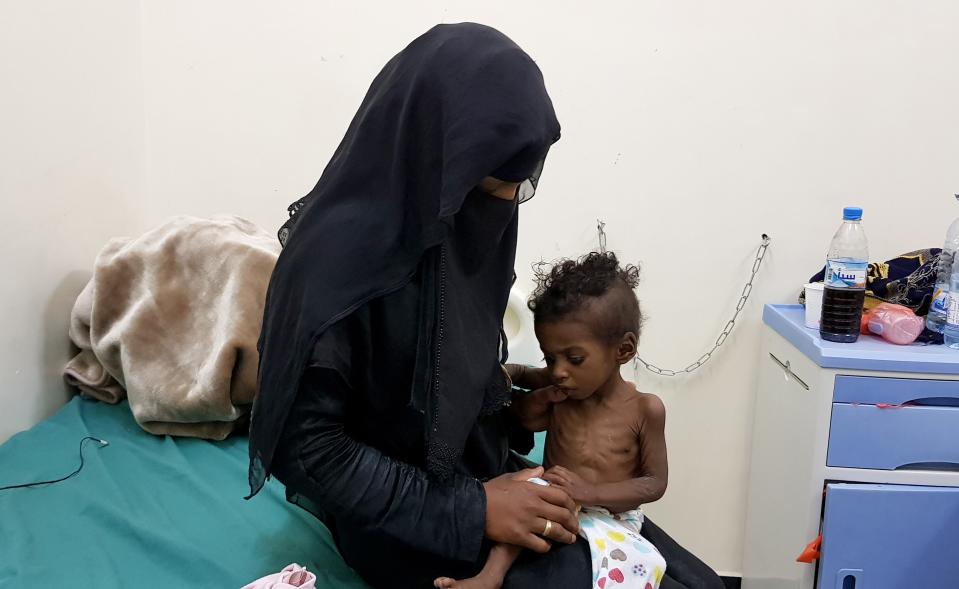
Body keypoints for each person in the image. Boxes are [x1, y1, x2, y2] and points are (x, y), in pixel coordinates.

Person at [247, 22, 724, 589]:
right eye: (485, 188)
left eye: (514, 187)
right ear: (436, 154)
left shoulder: (453, 233)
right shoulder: (331, 263)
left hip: (479, 480)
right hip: (400, 519)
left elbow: (443, 382)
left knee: (698, 581)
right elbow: (306, 449)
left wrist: (512, 414)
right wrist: (472, 511)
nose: (502, 208)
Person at [434, 252, 668, 589]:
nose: (558, 371)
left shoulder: (645, 410)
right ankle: (490, 577)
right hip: (555, 498)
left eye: (574, 359)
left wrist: (589, 492)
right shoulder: (562, 387)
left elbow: (653, 483)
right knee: (526, 490)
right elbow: (521, 374)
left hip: (611, 515)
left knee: (635, 570)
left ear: (624, 350)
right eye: (550, 357)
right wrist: (496, 374)